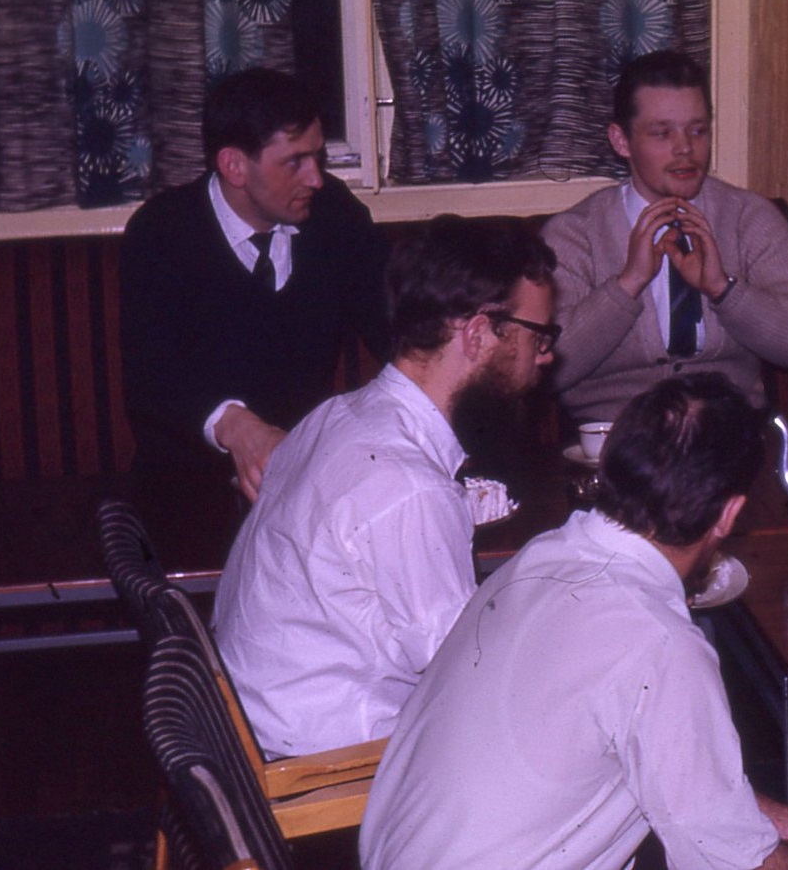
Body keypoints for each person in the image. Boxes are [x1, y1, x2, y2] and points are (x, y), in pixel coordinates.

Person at [360, 374, 788, 870]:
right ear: (728, 514)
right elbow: (727, 861)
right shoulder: (659, 644)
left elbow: (698, 796)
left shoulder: (541, 557)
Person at [213, 214, 558, 757]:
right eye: (538, 336)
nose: (547, 355)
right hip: (322, 760)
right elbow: (472, 674)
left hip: (256, 722)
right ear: (477, 334)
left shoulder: (334, 416)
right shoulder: (410, 486)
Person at [120, 68, 387, 521]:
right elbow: (153, 381)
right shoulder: (161, 234)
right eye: (295, 162)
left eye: (318, 157)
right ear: (234, 166)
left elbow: (394, 326)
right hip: (190, 490)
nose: (316, 179)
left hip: (309, 481)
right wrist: (236, 427)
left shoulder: (334, 216)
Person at [544, 50, 788, 422]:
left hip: (729, 432)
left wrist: (724, 290)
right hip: (616, 437)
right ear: (621, 140)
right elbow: (546, 367)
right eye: (662, 133)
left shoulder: (749, 218)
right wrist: (626, 285)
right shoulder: (574, 234)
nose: (685, 148)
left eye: (698, 131)